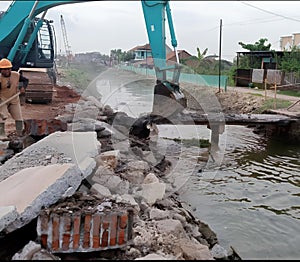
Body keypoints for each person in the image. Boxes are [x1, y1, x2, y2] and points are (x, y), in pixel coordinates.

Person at [0, 58, 29, 139]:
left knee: (18, 117)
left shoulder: (16, 75)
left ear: (10, 69)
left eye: (8, 69)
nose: (6, 71)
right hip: (2, 99)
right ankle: (1, 135)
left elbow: (26, 80)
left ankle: (19, 134)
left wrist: (23, 87)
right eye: (4, 70)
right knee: (2, 117)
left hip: (14, 100)